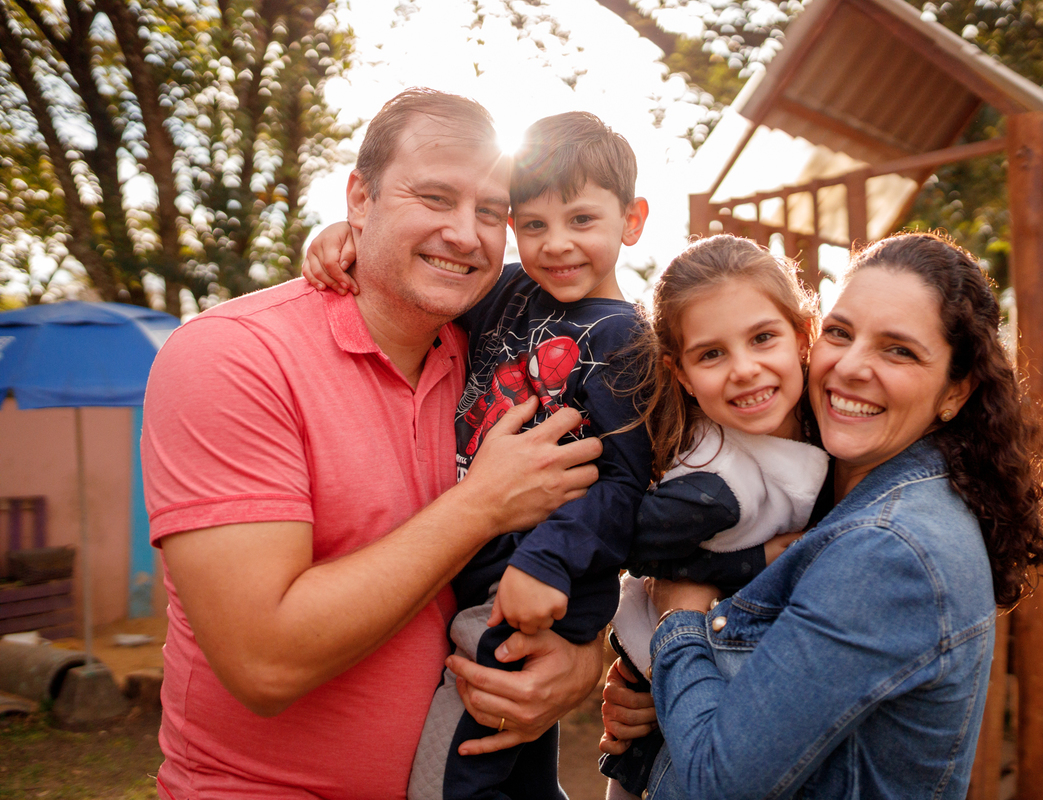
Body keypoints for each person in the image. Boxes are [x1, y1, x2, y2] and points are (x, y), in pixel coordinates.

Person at [141, 88, 607, 800]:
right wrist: (480, 505)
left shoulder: (494, 356)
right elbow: (264, 663)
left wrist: (584, 657)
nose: (465, 233)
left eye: (490, 212)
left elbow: (596, 519)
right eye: (434, 197)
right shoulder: (231, 357)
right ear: (359, 198)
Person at [600, 231, 1043, 799]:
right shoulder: (825, 481)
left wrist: (676, 624)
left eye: (898, 349)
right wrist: (658, 692)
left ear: (956, 390)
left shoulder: (889, 547)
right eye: (841, 333)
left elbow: (718, 782)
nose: (850, 366)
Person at [303, 111, 654, 800]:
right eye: (533, 224)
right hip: (487, 556)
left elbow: (624, 484)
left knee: (456, 761)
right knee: (518, 767)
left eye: (582, 221)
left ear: (631, 220)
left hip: (539, 576)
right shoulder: (511, 290)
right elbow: (423, 273)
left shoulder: (627, 343)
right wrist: (344, 235)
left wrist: (544, 563)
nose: (556, 246)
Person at [597, 235, 830, 798]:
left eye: (763, 338)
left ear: (802, 336)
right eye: (712, 354)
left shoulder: (828, 425)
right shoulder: (713, 484)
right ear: (680, 374)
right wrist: (761, 558)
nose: (745, 369)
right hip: (665, 699)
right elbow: (629, 544)